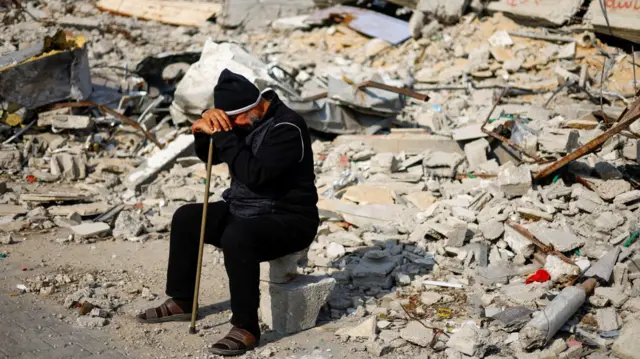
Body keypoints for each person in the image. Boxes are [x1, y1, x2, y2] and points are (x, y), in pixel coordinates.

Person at [136, 69, 319, 357]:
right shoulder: (245, 119)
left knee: (238, 236)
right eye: (228, 121)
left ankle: (245, 327)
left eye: (235, 121)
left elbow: (254, 175)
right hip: (245, 209)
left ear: (255, 107)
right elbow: (212, 154)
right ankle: (183, 301)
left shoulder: (288, 128)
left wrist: (222, 132)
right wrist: (203, 132)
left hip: (289, 218)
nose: (233, 126)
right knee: (187, 218)